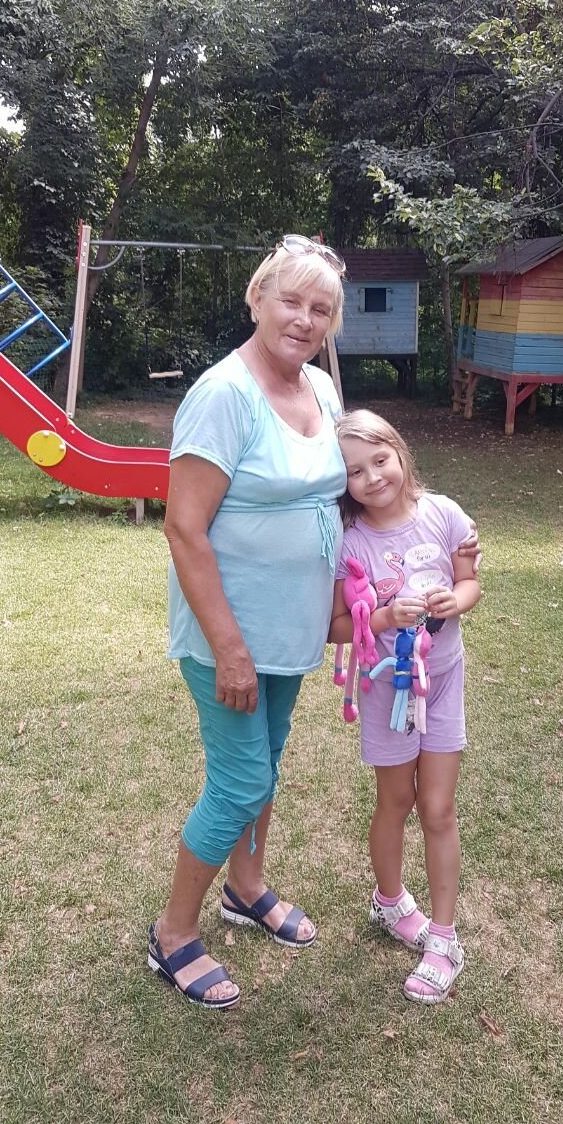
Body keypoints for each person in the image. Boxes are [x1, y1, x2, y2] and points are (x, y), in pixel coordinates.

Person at [148, 234, 348, 1008]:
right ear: (258, 297)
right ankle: (173, 934)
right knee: (239, 782)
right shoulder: (223, 395)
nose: (304, 319)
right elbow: (184, 528)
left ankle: (247, 887)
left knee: (269, 757)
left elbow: (335, 497)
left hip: (290, 629)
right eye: (291, 300)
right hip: (227, 635)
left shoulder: (320, 388)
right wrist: (229, 649)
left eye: (320, 308)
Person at [329, 409, 481, 1005]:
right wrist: (385, 616)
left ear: (400, 452)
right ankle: (389, 903)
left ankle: (443, 940)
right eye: (354, 472)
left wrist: (455, 601)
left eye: (380, 460)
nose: (372, 478)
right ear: (342, 482)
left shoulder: (444, 514)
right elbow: (335, 627)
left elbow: (471, 582)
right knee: (395, 801)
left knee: (438, 808)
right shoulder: (350, 542)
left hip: (442, 683)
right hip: (384, 691)